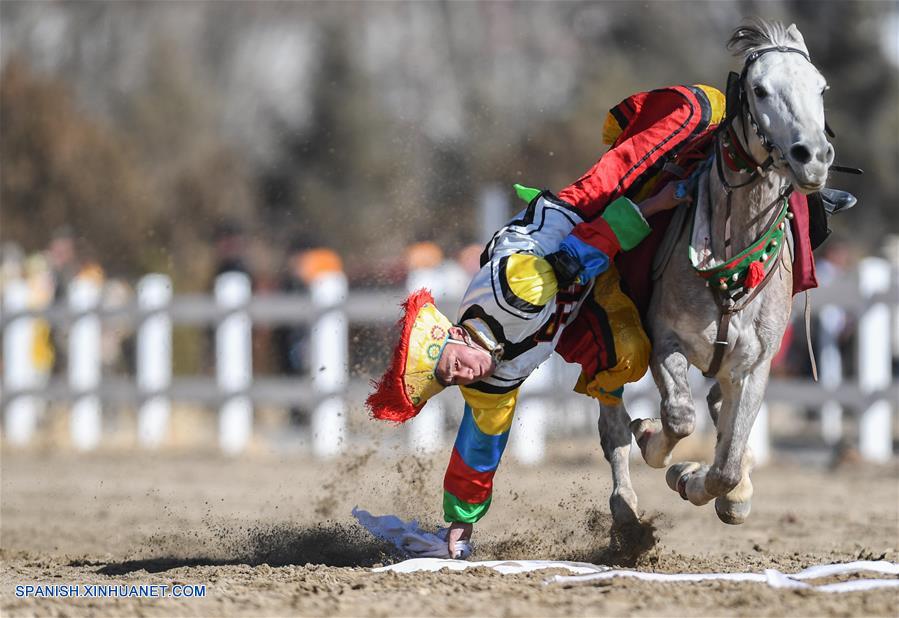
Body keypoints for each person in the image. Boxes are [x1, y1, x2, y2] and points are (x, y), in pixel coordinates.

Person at [367, 176, 690, 557]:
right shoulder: (487, 385)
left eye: (454, 364)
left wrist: (656, 204)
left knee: (644, 155)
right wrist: (460, 527)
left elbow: (588, 245)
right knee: (629, 353)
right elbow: (478, 447)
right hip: (567, 301)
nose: (464, 376)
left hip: (570, 228)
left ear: (457, 335)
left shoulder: (516, 293)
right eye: (451, 380)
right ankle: (623, 421)